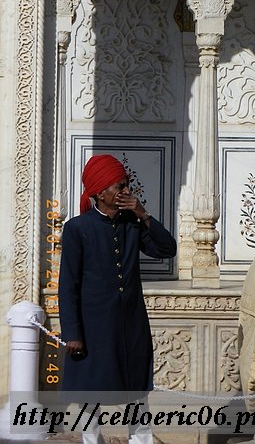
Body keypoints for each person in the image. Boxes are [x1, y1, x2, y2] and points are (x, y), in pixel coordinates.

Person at [58, 154, 177, 444]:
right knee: (90, 396)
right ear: (100, 192)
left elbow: (167, 249)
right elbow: (68, 285)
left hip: (131, 326)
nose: (125, 191)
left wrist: (144, 215)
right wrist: (73, 333)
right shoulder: (77, 228)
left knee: (137, 392)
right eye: (119, 186)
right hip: (93, 328)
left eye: (126, 185)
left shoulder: (132, 224)